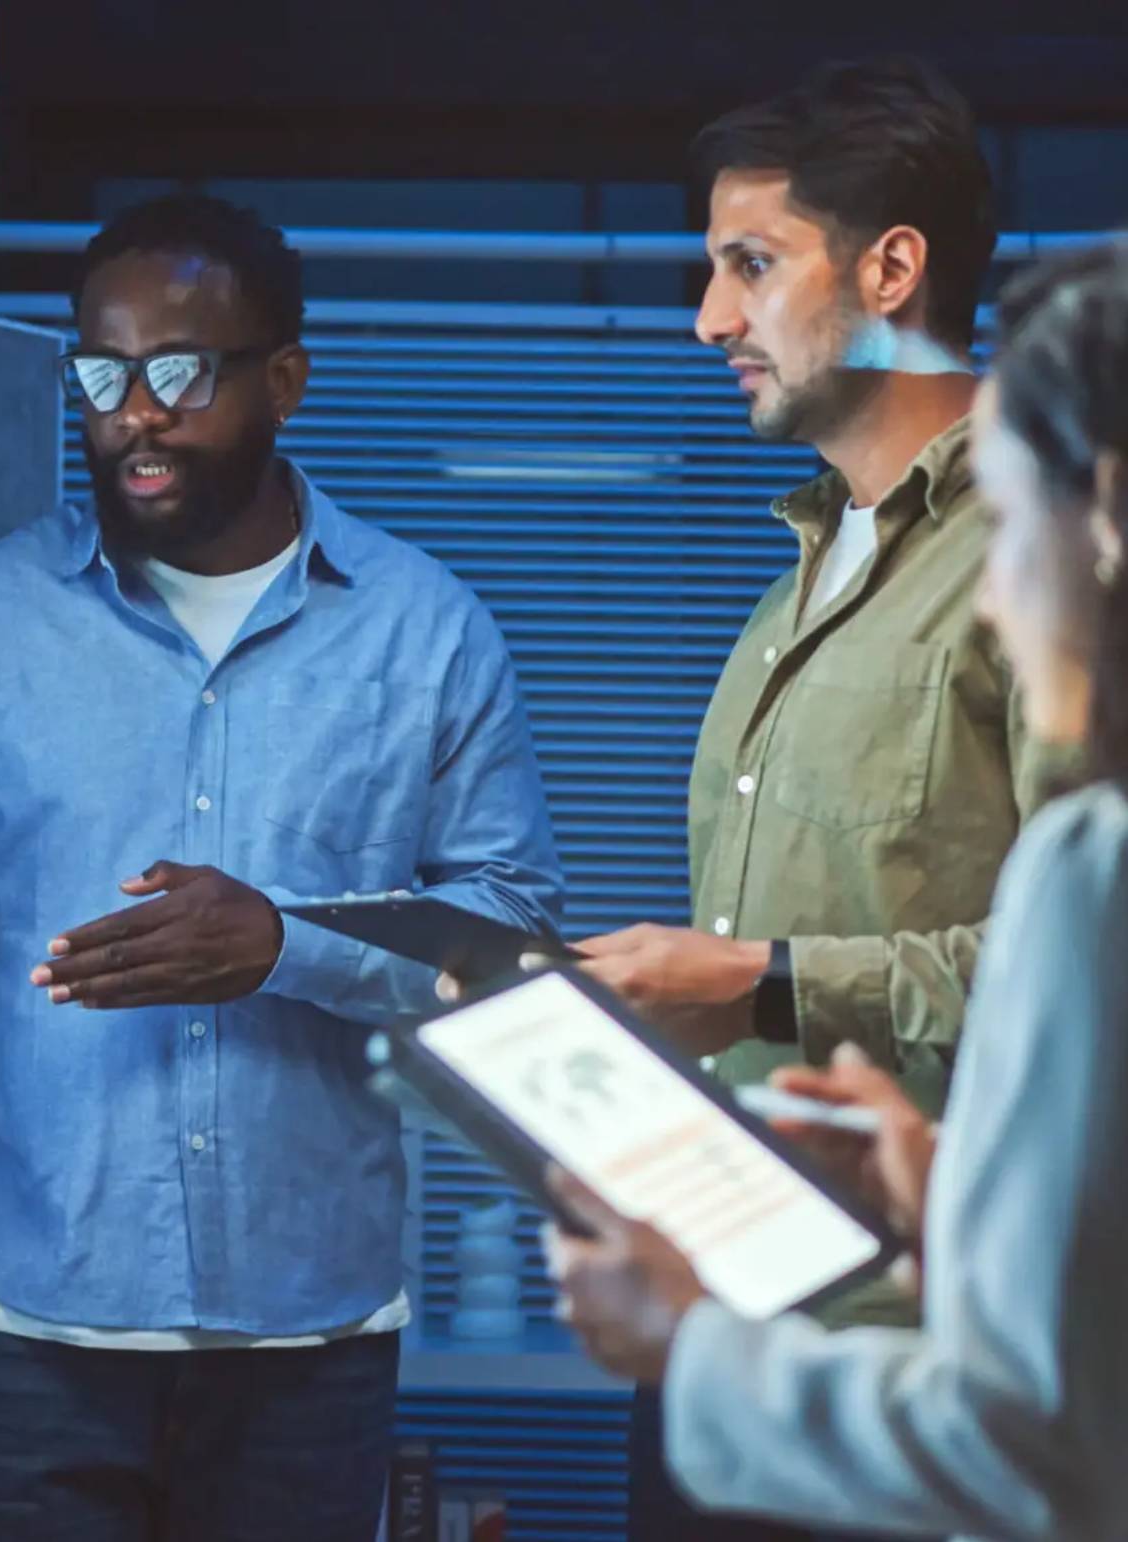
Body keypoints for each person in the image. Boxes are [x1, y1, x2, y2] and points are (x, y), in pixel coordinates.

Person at [0, 194, 562, 1542]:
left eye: (178, 372)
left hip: (304, 1339)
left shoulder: (428, 635)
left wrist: (282, 945)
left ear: (285, 379)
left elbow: (510, 942)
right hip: (23, 1328)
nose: (129, 410)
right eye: (99, 369)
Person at [434, 59, 1054, 1541]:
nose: (709, 319)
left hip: (916, 1361)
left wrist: (762, 981)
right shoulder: (799, 579)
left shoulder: (1044, 560)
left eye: (749, 265)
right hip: (726, 1311)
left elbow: (1086, 969)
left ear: (890, 267)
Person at [546, 236, 1128, 1542]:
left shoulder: (1092, 865)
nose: (991, 584)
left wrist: (685, 1344)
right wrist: (944, 1182)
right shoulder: (783, 598)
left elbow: (1025, 1449)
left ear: (1098, 522)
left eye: (1013, 522)